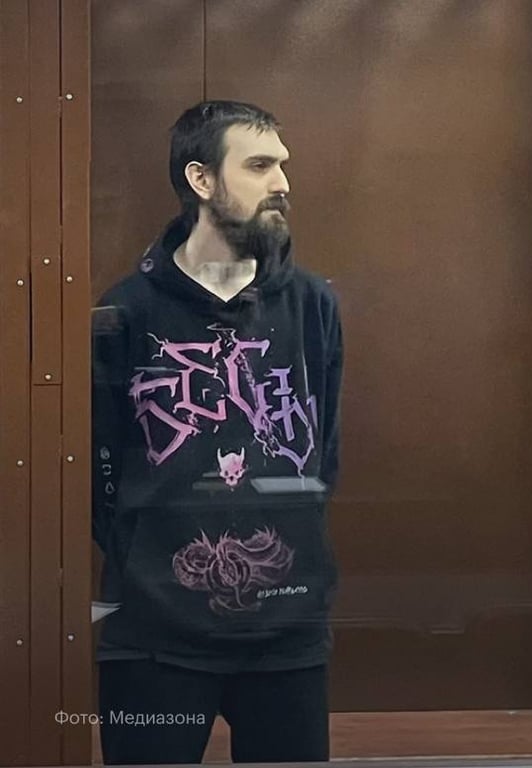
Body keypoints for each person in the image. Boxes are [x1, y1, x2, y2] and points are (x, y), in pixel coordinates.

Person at [92, 100, 343, 764]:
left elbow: (322, 448)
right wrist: (145, 557)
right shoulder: (125, 311)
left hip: (287, 628)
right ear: (201, 180)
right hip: (155, 633)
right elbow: (98, 467)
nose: (282, 183)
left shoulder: (312, 305)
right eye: (259, 166)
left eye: (282, 165)